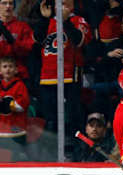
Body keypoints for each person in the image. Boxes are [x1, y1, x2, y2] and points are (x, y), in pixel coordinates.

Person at [33, 0, 92, 161]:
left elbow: (79, 40)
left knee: (74, 116)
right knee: (50, 118)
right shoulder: (48, 21)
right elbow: (37, 40)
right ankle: (50, 153)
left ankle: (77, 152)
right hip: (47, 77)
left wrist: (64, 21)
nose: (63, 3)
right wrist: (45, 19)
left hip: (70, 76)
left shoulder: (78, 20)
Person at [0, 56, 29, 161]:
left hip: (17, 128)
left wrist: (9, 104)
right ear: (0, 70)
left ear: (16, 70)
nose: (8, 69)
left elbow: (23, 105)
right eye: (5, 66)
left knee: (17, 156)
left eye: (11, 67)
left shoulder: (20, 85)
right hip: (1, 129)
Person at [0, 0, 34, 82]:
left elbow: (28, 50)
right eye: (4, 3)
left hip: (18, 74)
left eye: (11, 3)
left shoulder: (23, 26)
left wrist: (13, 42)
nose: (8, 6)